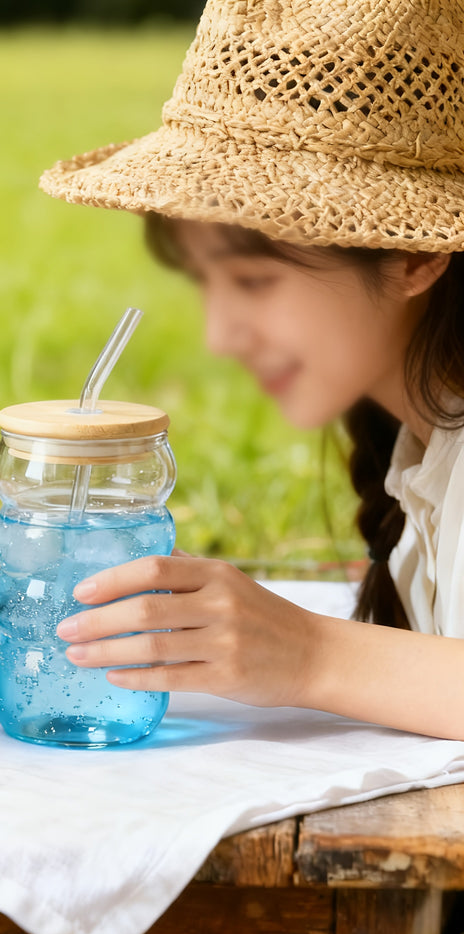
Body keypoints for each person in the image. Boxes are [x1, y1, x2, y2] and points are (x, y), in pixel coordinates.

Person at [39, 0, 464, 741]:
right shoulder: (421, 452)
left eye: (256, 281)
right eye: (206, 281)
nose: (218, 336)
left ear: (415, 255)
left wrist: (310, 654)